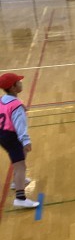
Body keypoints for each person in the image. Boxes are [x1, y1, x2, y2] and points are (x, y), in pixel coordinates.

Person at [0, 73, 40, 208]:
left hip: (2, 134)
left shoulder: (3, 99)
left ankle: (16, 181)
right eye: (18, 81)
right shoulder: (16, 106)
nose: (21, 82)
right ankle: (20, 198)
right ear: (13, 87)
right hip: (11, 136)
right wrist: (26, 140)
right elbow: (20, 125)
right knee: (20, 166)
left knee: (20, 156)